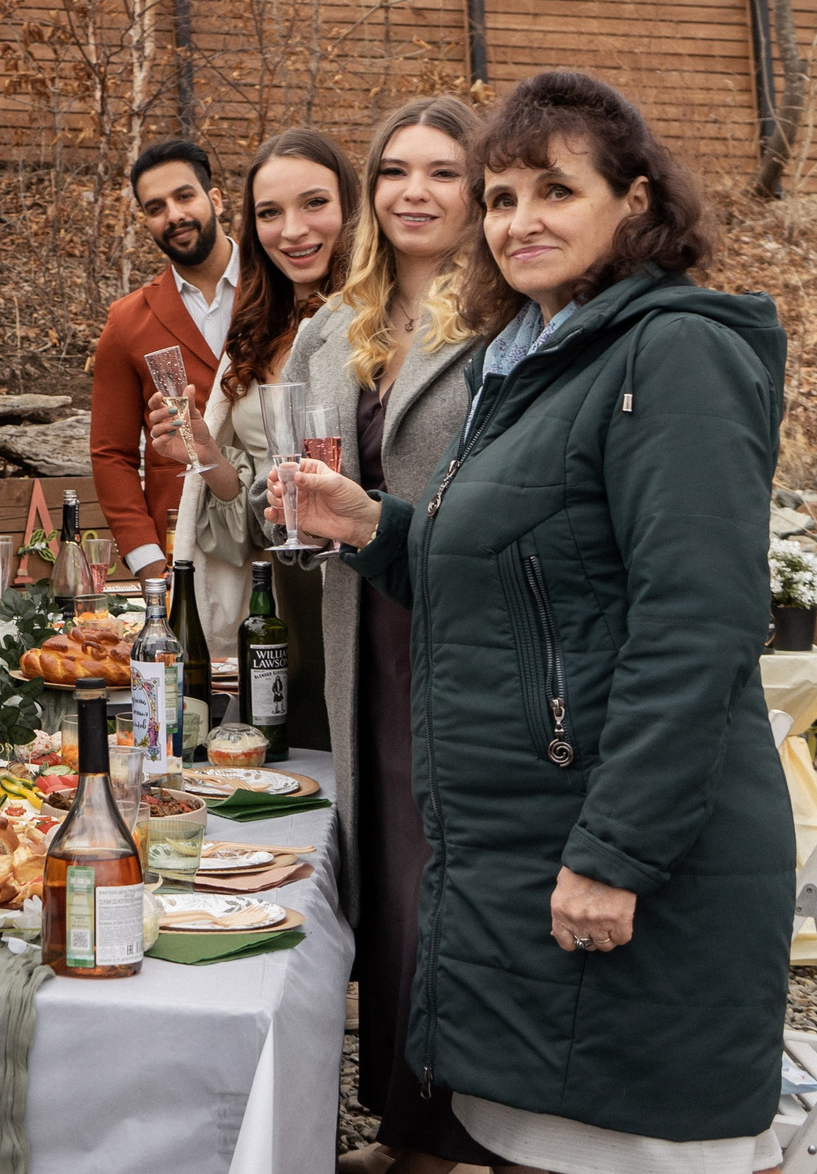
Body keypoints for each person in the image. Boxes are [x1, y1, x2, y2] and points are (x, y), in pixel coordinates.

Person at [284, 70, 792, 1174]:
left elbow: (697, 625)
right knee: (529, 1145)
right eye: (502, 197)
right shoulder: (539, 361)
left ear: (636, 202)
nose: (519, 222)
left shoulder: (673, 353)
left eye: (553, 193)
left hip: (625, 848)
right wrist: (375, 525)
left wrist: (616, 854)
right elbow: (515, 573)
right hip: (527, 838)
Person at [284, 98, 490, 1174]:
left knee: (438, 877)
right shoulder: (333, 323)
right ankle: (405, 1124)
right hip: (355, 620)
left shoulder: (509, 320)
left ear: (475, 190)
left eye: (441, 172)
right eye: (396, 171)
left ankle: (455, 1135)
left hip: (454, 622)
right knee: (377, 873)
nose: (414, 192)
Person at [153, 128, 360, 751]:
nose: (291, 230)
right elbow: (248, 505)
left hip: (364, 583)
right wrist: (207, 455)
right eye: (270, 213)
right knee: (299, 756)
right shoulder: (258, 327)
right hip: (282, 590)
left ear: (355, 206)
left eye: (314, 204)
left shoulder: (380, 319)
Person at [93, 139, 234, 581]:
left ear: (215, 199)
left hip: (276, 532)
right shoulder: (127, 321)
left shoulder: (280, 293)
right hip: (182, 553)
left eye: (184, 196)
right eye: (156, 208)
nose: (173, 215)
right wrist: (147, 561)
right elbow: (111, 453)